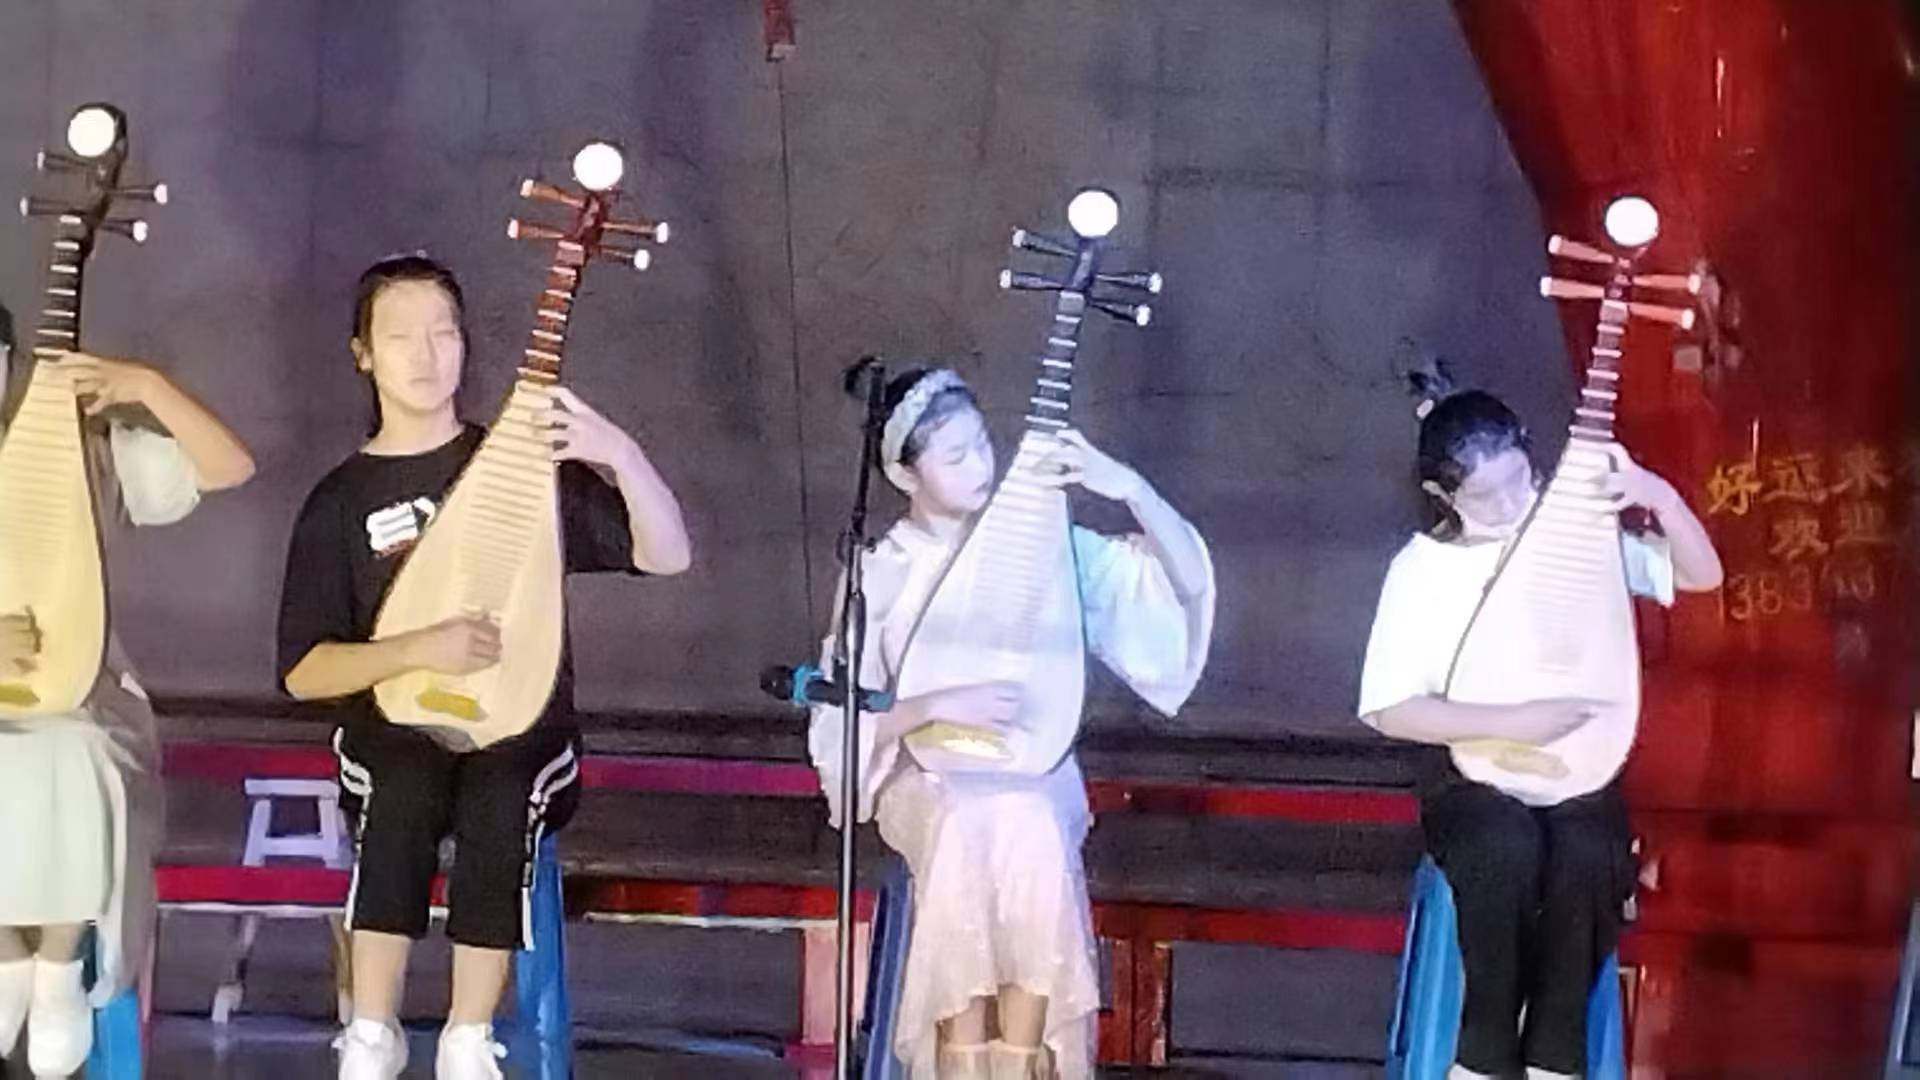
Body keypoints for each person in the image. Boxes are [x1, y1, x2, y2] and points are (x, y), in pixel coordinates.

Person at [275, 254, 691, 1080]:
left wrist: (618, 452)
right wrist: (416, 650)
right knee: (400, 787)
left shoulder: (520, 471)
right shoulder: (340, 501)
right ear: (363, 354)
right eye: (401, 336)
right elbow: (304, 672)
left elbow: (667, 554)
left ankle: (469, 1037)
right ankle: (372, 1030)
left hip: (525, 728)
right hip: (393, 728)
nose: (426, 355)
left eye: (444, 333)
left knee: (502, 793)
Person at [808, 364, 1215, 1078]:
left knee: (1024, 820)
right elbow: (839, 721)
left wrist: (1130, 489)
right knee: (968, 823)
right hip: (925, 778)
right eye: (955, 456)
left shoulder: (1039, 551)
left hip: (1031, 774)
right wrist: (931, 706)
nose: (980, 467)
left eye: (982, 446)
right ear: (905, 476)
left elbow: (1180, 587)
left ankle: (1023, 1058)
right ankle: (967, 1063)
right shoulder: (882, 571)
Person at [1358, 376, 1722, 1080]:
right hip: (1467, 774)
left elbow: (1700, 575)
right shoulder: (1421, 571)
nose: (1508, 506)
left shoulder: (1576, 542)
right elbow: (1390, 709)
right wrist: (1515, 723)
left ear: (1533, 458)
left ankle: (1557, 1055)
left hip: (1579, 769)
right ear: (1441, 496)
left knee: (1589, 857)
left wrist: (1656, 495)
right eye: (1483, 496)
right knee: (1505, 846)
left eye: (1519, 481)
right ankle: (1483, 1053)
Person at [0, 301, 256, 1077]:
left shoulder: (79, 450)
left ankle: (57, 965)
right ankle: (8, 954)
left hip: (83, 698)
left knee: (74, 749)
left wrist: (145, 385)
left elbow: (227, 467)